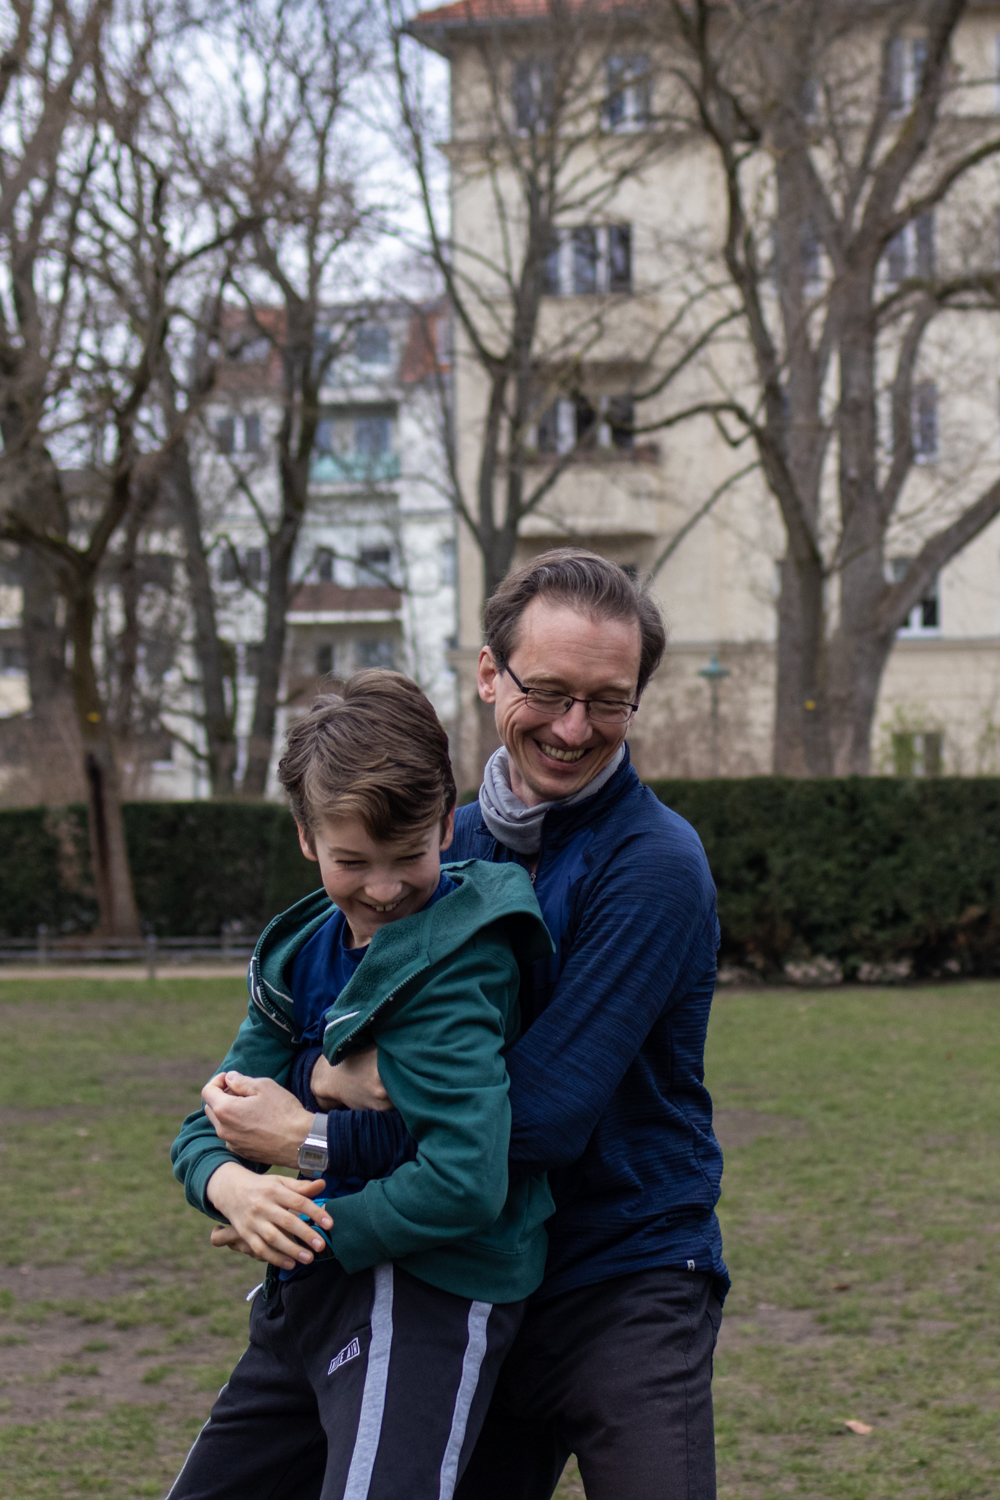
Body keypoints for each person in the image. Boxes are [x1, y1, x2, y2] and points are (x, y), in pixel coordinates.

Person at [209, 549, 728, 1500]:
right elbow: (321, 1024)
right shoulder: (438, 844)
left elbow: (539, 1117)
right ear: (491, 674)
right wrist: (243, 1142)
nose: (575, 728)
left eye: (608, 700)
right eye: (550, 690)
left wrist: (317, 1131)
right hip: (473, 1269)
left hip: (626, 1269)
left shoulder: (654, 864)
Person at [167, 671, 554, 1500]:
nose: (383, 889)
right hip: (306, 1291)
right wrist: (236, 1190)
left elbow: (465, 1177)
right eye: (352, 861)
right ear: (306, 839)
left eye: (409, 855)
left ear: (448, 826)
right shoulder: (300, 952)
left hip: (430, 1297)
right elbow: (212, 1120)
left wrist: (311, 1219)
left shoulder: (461, 960)